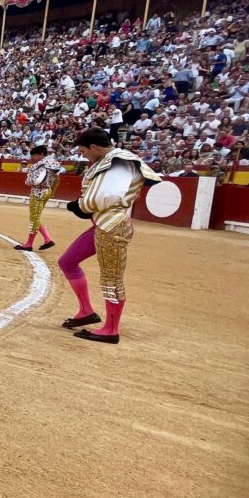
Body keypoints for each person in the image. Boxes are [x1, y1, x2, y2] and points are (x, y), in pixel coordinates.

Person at [58, 128, 162, 344]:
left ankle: (111, 329)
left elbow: (110, 195)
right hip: (102, 224)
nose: (83, 155)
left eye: (84, 150)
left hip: (113, 227)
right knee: (67, 261)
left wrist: (81, 205)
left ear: (94, 147)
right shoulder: (110, 160)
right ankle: (86, 311)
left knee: (111, 277)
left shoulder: (120, 161)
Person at [14, 145, 63, 251]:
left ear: (40, 153)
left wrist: (28, 181)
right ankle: (47, 240)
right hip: (47, 192)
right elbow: (57, 180)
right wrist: (51, 192)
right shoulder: (54, 163)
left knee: (34, 217)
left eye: (34, 156)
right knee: (36, 216)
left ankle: (29, 244)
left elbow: (30, 181)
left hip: (37, 192)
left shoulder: (38, 166)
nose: (32, 158)